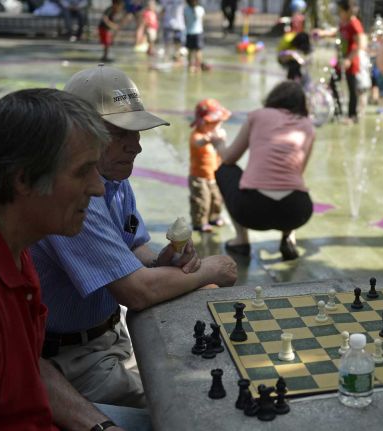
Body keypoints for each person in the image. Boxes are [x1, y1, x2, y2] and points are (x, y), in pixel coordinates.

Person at [31, 65, 237, 408]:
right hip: (70, 359)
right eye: (120, 134)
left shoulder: (112, 177)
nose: (136, 147)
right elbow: (136, 292)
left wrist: (164, 261)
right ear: (78, 134)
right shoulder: (75, 196)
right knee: (188, 409)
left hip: (110, 338)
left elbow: (134, 245)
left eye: (137, 132)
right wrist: (212, 269)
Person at [0, 88, 138, 430]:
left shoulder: (13, 243)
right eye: (82, 172)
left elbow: (28, 365)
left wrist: (100, 427)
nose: (97, 189)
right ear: (23, 178)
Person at [217, 81, 316, 261]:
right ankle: (289, 237)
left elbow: (230, 158)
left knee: (225, 170)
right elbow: (299, 171)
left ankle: (241, 240)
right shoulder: (308, 126)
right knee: (292, 178)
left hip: (252, 210)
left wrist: (219, 144)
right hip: (296, 211)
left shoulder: (257, 116)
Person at [189, 98, 230, 232]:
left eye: (219, 123)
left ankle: (214, 217)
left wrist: (220, 140)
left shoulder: (216, 133)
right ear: (202, 122)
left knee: (216, 199)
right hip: (199, 177)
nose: (217, 126)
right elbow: (198, 143)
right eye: (214, 123)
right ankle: (199, 222)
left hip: (214, 175)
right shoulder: (197, 135)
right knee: (202, 200)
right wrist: (209, 139)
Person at [320, 0, 364, 123]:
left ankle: (352, 115)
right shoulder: (343, 22)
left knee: (352, 88)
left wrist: (349, 59)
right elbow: (337, 32)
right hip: (340, 61)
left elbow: (359, 44)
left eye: (340, 11)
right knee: (333, 84)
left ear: (347, 10)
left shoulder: (354, 24)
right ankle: (337, 111)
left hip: (351, 62)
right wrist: (323, 33)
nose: (338, 13)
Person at [184, 0, 208, 72]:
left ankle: (190, 66)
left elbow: (185, 21)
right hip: (198, 32)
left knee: (190, 51)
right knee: (198, 51)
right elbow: (202, 20)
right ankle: (198, 66)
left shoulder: (186, 9)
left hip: (189, 32)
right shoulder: (200, 9)